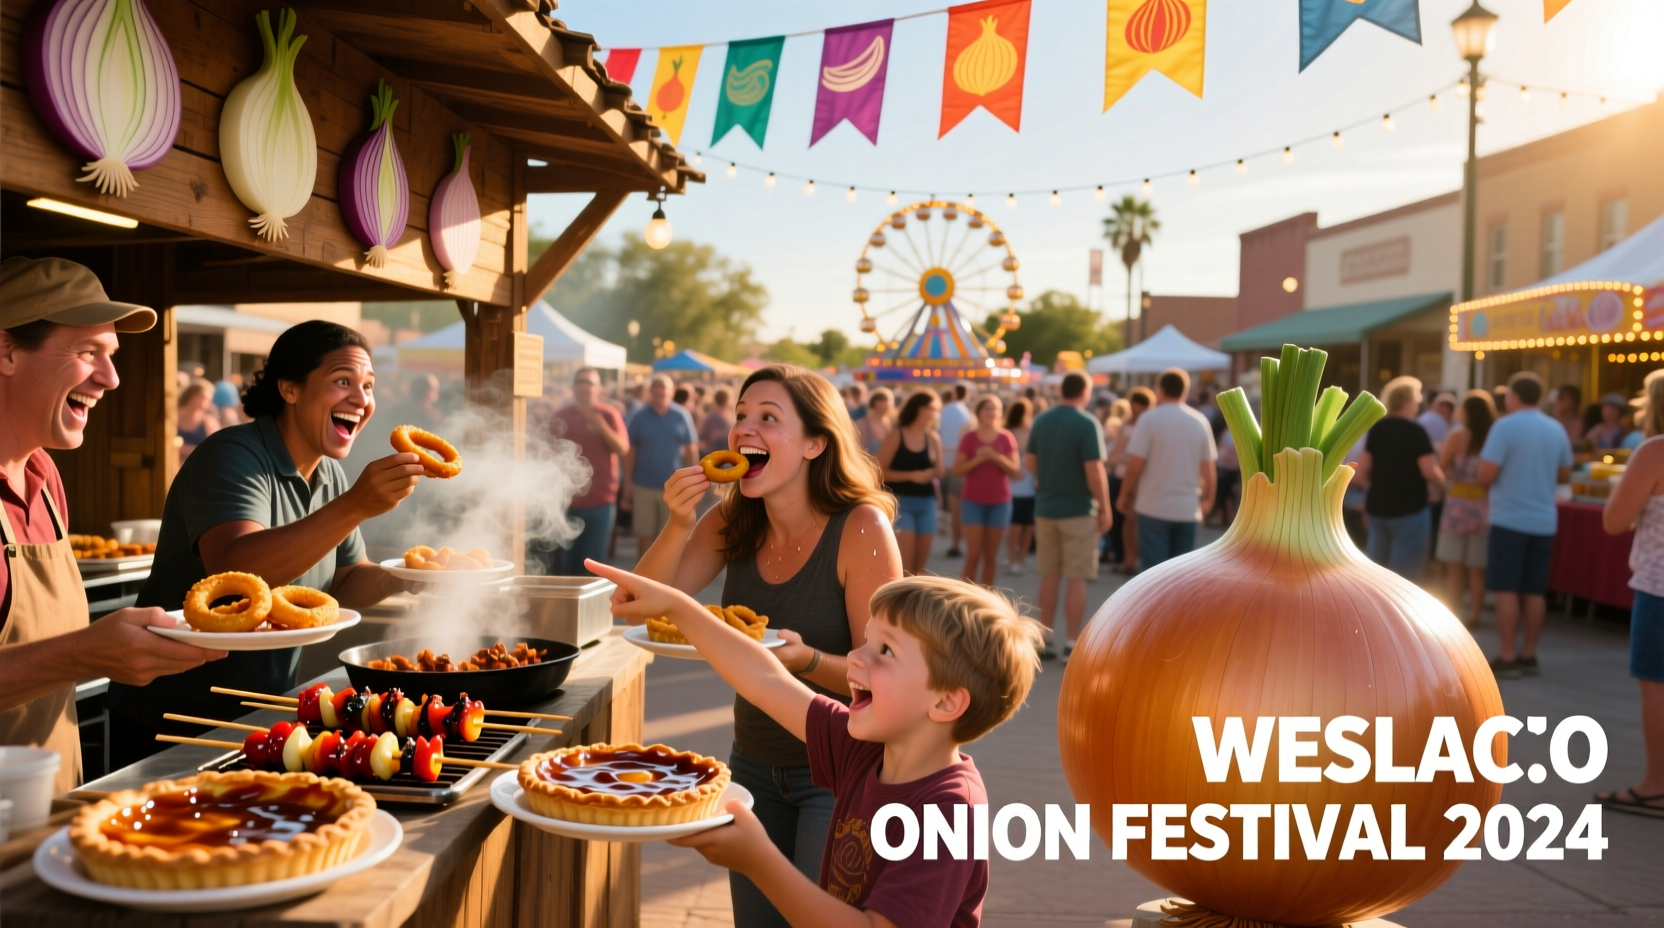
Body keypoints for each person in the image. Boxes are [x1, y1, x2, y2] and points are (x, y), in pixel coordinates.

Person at [590, 561, 1041, 928]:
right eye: (866, 640)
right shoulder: (863, 749)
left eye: (884, 651)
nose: (857, 657)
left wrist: (761, 861)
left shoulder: (950, 811)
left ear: (945, 702)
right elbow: (764, 678)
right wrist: (679, 607)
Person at [629, 365, 903, 927]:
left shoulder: (861, 529)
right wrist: (677, 523)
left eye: (768, 418)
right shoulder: (731, 519)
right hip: (751, 763)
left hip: (839, 771)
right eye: (741, 416)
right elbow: (638, 604)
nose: (743, 430)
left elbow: (885, 680)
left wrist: (804, 661)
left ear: (814, 443)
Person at [106, 321, 426, 767]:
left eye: (368, 386)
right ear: (290, 389)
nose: (361, 399)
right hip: (175, 713)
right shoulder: (232, 456)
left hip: (264, 711)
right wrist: (356, 505)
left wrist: (410, 577)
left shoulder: (329, 474)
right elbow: (235, 571)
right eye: (342, 382)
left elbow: (347, 579)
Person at [0, 257, 225, 795]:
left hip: (45, 814)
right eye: (87, 353)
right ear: (6, 350)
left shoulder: (45, 477)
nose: (112, 378)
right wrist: (84, 653)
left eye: (112, 355)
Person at [1597, 368, 1664, 818]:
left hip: (1660, 587)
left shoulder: (1654, 452)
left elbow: (1613, 521)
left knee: (1657, 686)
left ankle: (1656, 785)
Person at [1477, 371, 1573, 679]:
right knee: (1534, 591)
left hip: (1509, 518)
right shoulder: (1556, 428)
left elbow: (1486, 475)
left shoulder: (1504, 426)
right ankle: (1529, 653)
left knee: (1506, 588)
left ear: (1513, 396)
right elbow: (1564, 475)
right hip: (1544, 520)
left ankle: (1507, 654)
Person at [1026, 372, 1111, 660]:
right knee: (1078, 577)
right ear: (1085, 392)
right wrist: (1105, 507)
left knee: (1050, 574)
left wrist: (1048, 478)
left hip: (1047, 507)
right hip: (1078, 510)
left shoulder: (1042, 420)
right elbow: (1094, 472)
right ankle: (1071, 642)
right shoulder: (1087, 423)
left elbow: (1030, 461)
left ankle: (1044, 638)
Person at [1119, 369, 1217, 572]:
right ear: (1185, 391)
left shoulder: (1149, 419)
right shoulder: (1199, 421)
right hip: (1186, 508)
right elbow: (1208, 468)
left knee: (1154, 577)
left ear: (1159, 390)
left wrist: (1124, 494)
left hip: (1153, 506)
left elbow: (1135, 465)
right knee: (1180, 578)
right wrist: (1209, 500)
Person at [1356, 376, 1445, 580]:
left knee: (1375, 570)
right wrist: (1444, 488)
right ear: (1410, 400)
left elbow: (1361, 471)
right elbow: (1429, 471)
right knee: (1403, 575)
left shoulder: (1377, 429)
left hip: (1377, 507)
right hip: (1409, 508)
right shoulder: (1416, 431)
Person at [548, 367, 629, 574]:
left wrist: (601, 426)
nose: (586, 387)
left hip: (600, 501)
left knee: (593, 563)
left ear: (598, 388)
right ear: (574, 387)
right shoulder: (561, 416)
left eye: (590, 383)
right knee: (564, 564)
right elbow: (547, 454)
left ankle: (592, 607)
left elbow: (622, 448)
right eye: (581, 382)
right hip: (567, 502)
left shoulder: (609, 415)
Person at [1437, 390, 1497, 627]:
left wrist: (1452, 475)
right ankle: (1475, 615)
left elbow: (1441, 466)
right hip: (1483, 505)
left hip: (1456, 504)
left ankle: (1454, 613)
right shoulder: (1492, 436)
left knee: (1454, 567)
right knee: (1476, 568)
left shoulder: (1456, 436)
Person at [621, 374, 698, 560]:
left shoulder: (681, 415)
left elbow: (691, 450)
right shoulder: (640, 417)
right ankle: (642, 579)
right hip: (643, 485)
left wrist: (692, 484)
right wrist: (628, 483)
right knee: (643, 536)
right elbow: (630, 451)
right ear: (651, 393)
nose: (660, 395)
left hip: (672, 487)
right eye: (657, 391)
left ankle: (663, 581)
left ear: (671, 392)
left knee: (669, 536)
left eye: (664, 391)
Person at [952, 395, 1020, 587]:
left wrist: (996, 457)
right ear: (979, 412)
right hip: (973, 501)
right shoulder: (969, 437)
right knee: (973, 555)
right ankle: (964, 599)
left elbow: (1015, 471)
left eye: (995, 409)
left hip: (999, 503)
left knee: (991, 557)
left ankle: (986, 602)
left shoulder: (1006, 437)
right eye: (987, 408)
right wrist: (979, 459)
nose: (991, 413)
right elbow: (958, 470)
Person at [879, 392, 944, 576]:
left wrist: (927, 473)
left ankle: (915, 604)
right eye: (932, 408)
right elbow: (879, 471)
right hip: (901, 503)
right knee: (905, 567)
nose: (934, 413)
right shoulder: (896, 435)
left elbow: (940, 471)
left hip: (927, 503)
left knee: (919, 568)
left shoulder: (933, 437)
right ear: (919, 408)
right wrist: (911, 475)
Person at [1106, 393, 1149, 572]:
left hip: (1137, 475)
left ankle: (1131, 560)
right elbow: (1118, 448)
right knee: (1127, 521)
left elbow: (1120, 450)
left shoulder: (1146, 422)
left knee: (1132, 521)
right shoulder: (1131, 423)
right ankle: (1128, 559)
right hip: (1125, 473)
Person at [937, 383, 973, 558]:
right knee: (957, 506)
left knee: (947, 503)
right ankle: (956, 542)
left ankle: (954, 541)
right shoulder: (966, 414)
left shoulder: (943, 411)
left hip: (943, 462)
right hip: (959, 464)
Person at [1004, 398, 1036, 576]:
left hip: (1030, 483)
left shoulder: (1033, 431)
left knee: (1028, 525)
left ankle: (1021, 559)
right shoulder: (1008, 432)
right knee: (1016, 524)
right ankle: (1010, 557)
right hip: (1013, 484)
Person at [176, 377, 221, 462]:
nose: (208, 402)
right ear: (193, 395)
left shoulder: (208, 422)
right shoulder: (173, 419)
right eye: (205, 398)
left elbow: (216, 448)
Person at [855, 388, 893, 456]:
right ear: (875, 403)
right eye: (883, 400)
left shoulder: (890, 423)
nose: (888, 404)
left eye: (887, 400)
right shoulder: (862, 424)